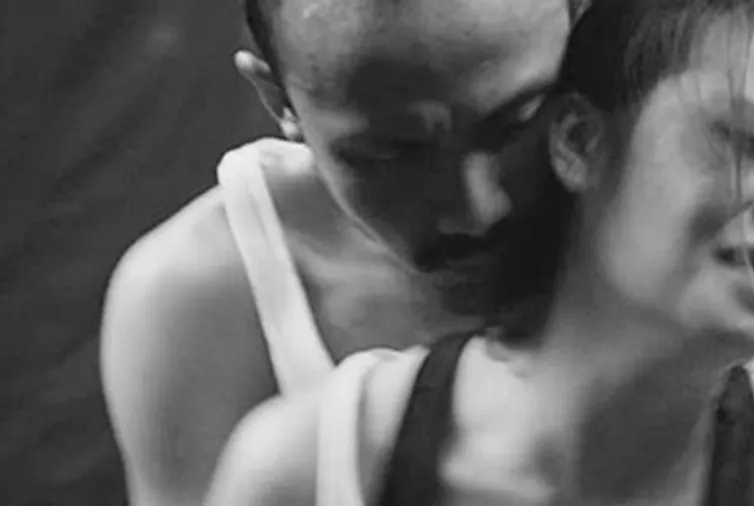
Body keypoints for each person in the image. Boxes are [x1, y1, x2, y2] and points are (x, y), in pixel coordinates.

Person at [205, 0, 754, 504]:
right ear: (581, 138)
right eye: (750, 140)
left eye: (515, 122)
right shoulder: (299, 457)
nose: (479, 207)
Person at [100, 0, 581, 505]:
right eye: (391, 154)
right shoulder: (202, 294)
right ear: (278, 100)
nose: (476, 209)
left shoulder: (635, 192)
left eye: (517, 122)